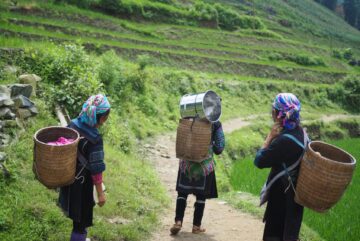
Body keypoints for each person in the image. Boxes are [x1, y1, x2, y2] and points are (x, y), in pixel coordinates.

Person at [254, 93, 308, 241]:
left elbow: (259, 161)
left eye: (273, 110)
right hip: (296, 196)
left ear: (279, 115)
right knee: (290, 233)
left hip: (281, 197)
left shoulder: (283, 141)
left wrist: (269, 137)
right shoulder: (302, 134)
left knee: (275, 233)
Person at [59, 94, 111, 241]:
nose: (105, 121)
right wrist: (100, 194)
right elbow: (96, 169)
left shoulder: (73, 124)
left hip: (68, 178)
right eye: (105, 117)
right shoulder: (95, 139)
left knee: (76, 217)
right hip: (82, 185)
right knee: (81, 222)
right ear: (99, 118)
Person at [170, 120, 225, 235]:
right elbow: (219, 148)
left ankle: (178, 221)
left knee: (182, 193)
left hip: (187, 163)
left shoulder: (187, 117)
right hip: (204, 165)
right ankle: (196, 226)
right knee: (201, 196)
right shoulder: (215, 123)